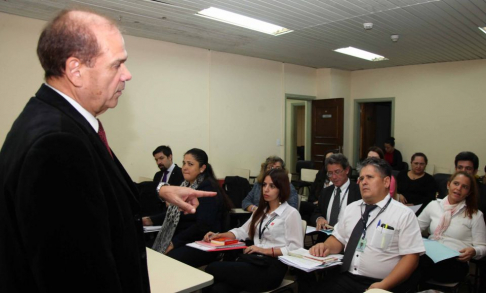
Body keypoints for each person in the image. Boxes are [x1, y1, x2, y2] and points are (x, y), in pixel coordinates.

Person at [0, 10, 214, 293]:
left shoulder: (55, 120)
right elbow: (77, 273)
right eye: (117, 65)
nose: (127, 74)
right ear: (75, 70)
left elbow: (94, 192)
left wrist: (161, 191)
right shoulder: (57, 144)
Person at [308, 157, 425, 293]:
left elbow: (411, 258)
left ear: (386, 181)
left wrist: (384, 285)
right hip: (347, 276)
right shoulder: (352, 209)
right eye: (361, 178)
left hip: (383, 281)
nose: (364, 182)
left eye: (369, 177)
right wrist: (325, 246)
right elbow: (338, 239)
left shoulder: (403, 214)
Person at [203, 169, 303, 293]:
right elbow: (242, 232)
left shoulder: (290, 213)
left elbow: (296, 249)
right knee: (217, 289)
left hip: (272, 268)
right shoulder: (261, 211)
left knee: (212, 268)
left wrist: (264, 250)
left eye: (272, 186)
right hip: (254, 261)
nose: (266, 189)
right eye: (264, 185)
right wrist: (219, 235)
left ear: (281, 189)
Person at [151, 148, 232, 268]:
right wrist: (150, 219)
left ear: (202, 168)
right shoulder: (186, 185)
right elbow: (174, 212)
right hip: (185, 238)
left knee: (168, 260)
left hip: (203, 241)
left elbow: (202, 226)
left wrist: (174, 243)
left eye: (190, 164)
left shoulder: (207, 188)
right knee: (147, 249)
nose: (184, 167)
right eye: (184, 163)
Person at [417, 171, 486, 283]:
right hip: (429, 254)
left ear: (468, 192)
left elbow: (483, 247)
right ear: (448, 185)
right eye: (456, 183)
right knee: (412, 262)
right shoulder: (434, 205)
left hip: (455, 261)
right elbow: (414, 229)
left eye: (464, 187)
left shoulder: (475, 215)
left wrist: (474, 251)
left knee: (417, 269)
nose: (458, 188)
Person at [310, 154, 361, 242]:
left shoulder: (358, 192)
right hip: (325, 239)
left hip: (347, 241)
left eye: (337, 172)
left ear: (347, 170)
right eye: (330, 173)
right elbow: (316, 213)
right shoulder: (326, 192)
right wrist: (319, 218)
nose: (333, 177)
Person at [437, 152, 486, 220]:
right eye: (460, 167)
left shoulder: (483, 192)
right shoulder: (445, 185)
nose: (463, 171)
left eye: (468, 168)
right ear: (456, 169)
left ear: (475, 171)